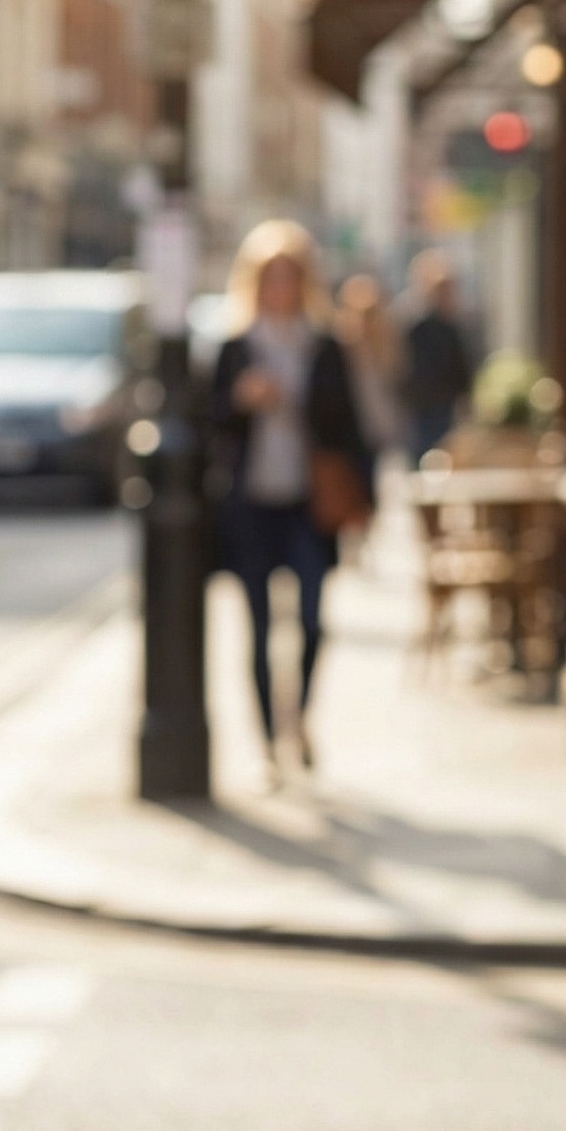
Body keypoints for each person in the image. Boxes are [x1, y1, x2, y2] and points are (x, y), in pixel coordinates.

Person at [210, 221, 371, 772]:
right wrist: (240, 401)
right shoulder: (235, 347)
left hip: (309, 504)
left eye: (289, 277)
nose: (279, 287)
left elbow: (350, 428)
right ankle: (266, 747)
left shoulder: (324, 347)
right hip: (252, 504)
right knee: (256, 629)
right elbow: (209, 425)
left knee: (309, 621)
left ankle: (297, 717)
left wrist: (364, 505)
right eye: (270, 277)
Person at [333, 272, 406, 500]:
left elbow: (396, 379)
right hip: (351, 428)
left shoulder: (386, 344)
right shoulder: (341, 346)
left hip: (377, 425)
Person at [401, 250, 475, 459]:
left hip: (444, 405)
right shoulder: (414, 325)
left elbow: (460, 366)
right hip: (422, 408)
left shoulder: (452, 325)